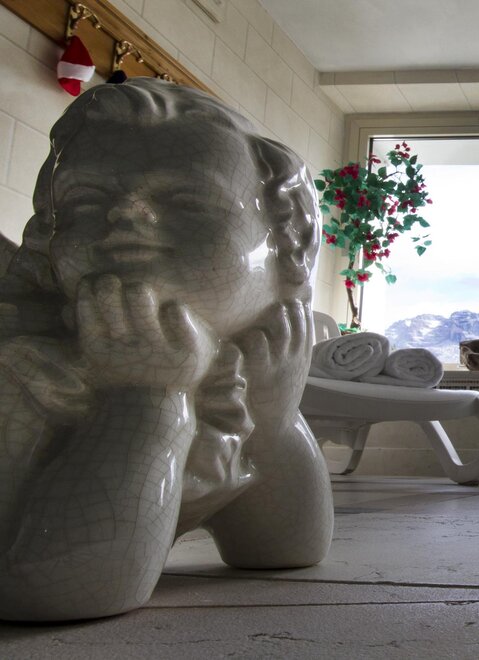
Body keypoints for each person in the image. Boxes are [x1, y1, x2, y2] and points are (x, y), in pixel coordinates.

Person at [0, 78, 332, 621]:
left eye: (186, 202)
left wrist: (272, 425)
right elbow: (53, 588)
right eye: (86, 200)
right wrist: (144, 399)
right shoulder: (27, 369)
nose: (127, 214)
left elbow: (284, 549)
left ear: (289, 244)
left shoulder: (242, 369)